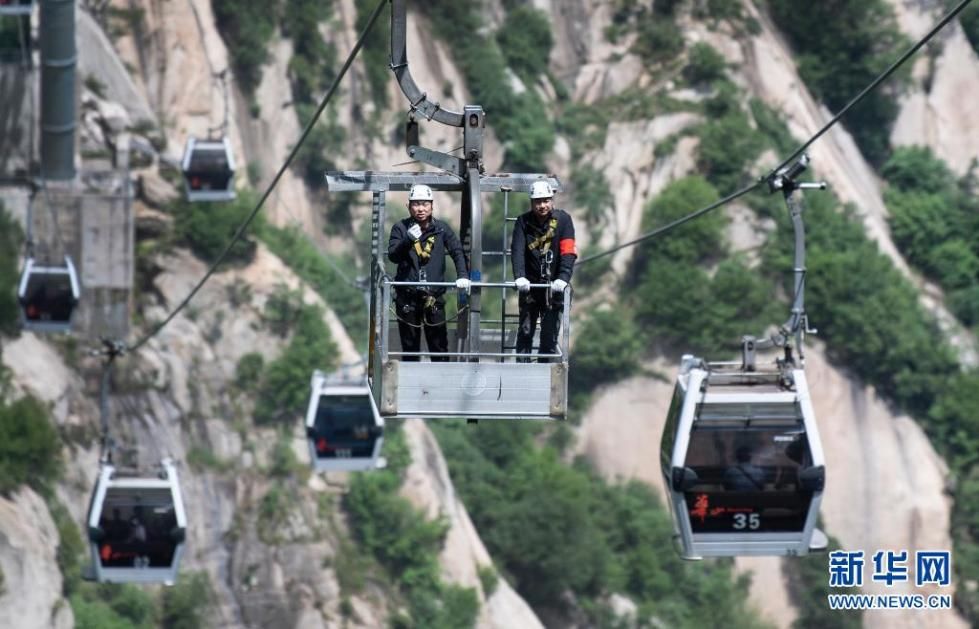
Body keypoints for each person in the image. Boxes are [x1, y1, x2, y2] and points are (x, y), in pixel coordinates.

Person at [387, 184, 470, 361]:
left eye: (425, 204)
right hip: (407, 298)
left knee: (439, 347)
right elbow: (393, 256)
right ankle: (411, 386)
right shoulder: (400, 228)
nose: (420, 209)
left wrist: (462, 275)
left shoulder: (441, 229)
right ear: (408, 206)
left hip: (433, 298)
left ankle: (443, 385)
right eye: (416, 204)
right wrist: (408, 239)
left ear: (432, 206)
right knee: (410, 349)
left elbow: (456, 251)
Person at [511, 181, 576, 362]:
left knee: (549, 337)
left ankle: (543, 375)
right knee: (525, 333)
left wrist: (563, 278)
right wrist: (520, 276)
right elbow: (517, 251)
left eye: (546, 201)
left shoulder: (563, 220)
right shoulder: (523, 222)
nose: (542, 205)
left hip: (553, 288)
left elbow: (568, 250)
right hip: (530, 288)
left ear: (552, 201)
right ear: (532, 203)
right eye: (538, 201)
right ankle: (521, 373)